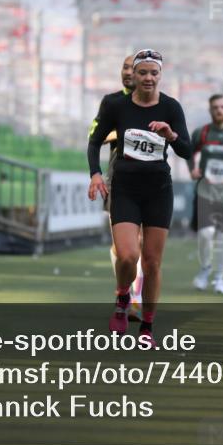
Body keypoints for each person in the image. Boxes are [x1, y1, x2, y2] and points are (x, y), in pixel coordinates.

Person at [88, 49, 191, 344]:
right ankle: (123, 297)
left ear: (160, 76)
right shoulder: (116, 105)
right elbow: (94, 141)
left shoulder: (171, 107)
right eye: (142, 72)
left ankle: (147, 326)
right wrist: (96, 173)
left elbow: (186, 148)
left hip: (159, 190)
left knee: (152, 263)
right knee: (127, 256)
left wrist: (171, 135)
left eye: (153, 73)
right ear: (133, 75)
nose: (148, 78)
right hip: (125, 189)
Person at [89, 55, 145, 319]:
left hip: (148, 180)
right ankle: (123, 289)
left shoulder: (155, 103)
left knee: (142, 242)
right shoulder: (111, 102)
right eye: (123, 68)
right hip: (117, 178)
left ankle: (136, 298)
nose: (126, 73)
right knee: (122, 249)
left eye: (131, 69)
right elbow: (94, 136)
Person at [188, 94, 223, 295]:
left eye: (222, 106)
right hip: (205, 192)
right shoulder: (202, 133)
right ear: (210, 110)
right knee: (206, 234)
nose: (219, 110)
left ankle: (219, 279)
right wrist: (192, 168)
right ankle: (205, 269)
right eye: (215, 107)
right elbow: (189, 152)